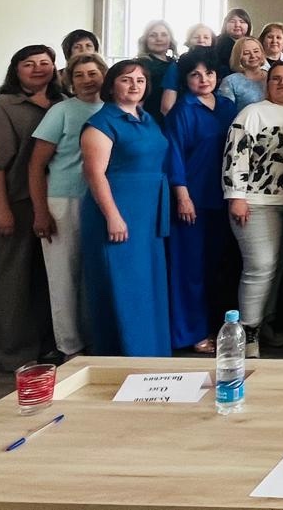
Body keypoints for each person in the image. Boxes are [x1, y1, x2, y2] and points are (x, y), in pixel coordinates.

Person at [0, 45, 63, 370]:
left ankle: (49, 344)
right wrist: (2, 210)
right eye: (29, 64)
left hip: (53, 202)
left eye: (44, 63)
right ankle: (15, 354)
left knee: (46, 278)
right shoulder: (3, 107)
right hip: (14, 202)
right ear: (16, 70)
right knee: (13, 279)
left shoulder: (62, 104)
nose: (38, 69)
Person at [79, 60, 172, 356]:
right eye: (126, 79)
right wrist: (113, 216)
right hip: (118, 211)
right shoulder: (101, 123)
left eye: (140, 80)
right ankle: (124, 356)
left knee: (147, 284)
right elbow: (94, 174)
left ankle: (152, 355)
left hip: (148, 214)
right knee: (124, 285)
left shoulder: (147, 118)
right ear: (111, 85)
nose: (134, 85)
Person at [222, 61, 283, 357]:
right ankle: (247, 332)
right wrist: (236, 196)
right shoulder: (252, 113)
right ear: (266, 84)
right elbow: (236, 154)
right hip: (256, 202)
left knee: (278, 266)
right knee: (260, 266)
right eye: (277, 79)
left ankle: (264, 322)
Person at [28, 52, 106, 358]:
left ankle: (94, 341)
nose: (87, 80)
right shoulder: (60, 111)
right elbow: (36, 165)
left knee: (92, 275)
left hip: (100, 202)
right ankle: (69, 347)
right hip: (63, 201)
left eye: (92, 73)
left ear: (104, 75)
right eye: (79, 75)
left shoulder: (113, 109)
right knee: (64, 277)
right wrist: (40, 212)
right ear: (70, 80)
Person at [163, 48, 239, 353]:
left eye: (208, 73)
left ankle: (216, 327)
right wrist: (182, 196)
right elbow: (173, 156)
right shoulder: (182, 110)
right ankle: (190, 333)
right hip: (192, 200)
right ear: (186, 80)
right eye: (195, 74)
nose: (203, 79)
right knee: (189, 270)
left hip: (223, 198)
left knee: (217, 268)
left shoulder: (227, 107)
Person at [160, 23, 216, 117]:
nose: (201, 40)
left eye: (206, 37)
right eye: (196, 37)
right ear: (189, 41)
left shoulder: (217, 64)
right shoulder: (177, 66)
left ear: (212, 42)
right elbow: (166, 108)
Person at [137, 19, 176, 124]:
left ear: (170, 40)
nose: (159, 39)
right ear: (145, 40)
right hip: (149, 119)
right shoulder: (140, 64)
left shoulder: (176, 63)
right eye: (153, 35)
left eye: (164, 35)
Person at [218, 36, 268, 112]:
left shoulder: (272, 76)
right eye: (246, 53)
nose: (253, 56)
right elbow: (225, 112)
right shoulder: (230, 81)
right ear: (238, 57)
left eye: (256, 51)